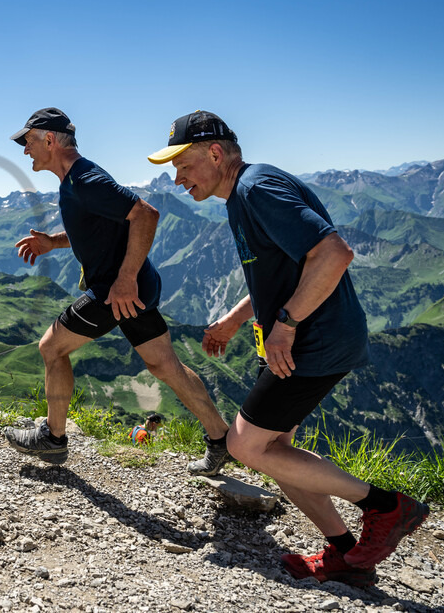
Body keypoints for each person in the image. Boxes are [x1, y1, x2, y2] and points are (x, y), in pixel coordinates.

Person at [147, 109, 429, 587]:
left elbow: (334, 254)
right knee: (274, 450)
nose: (177, 179)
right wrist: (237, 320)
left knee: (245, 445)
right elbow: (285, 268)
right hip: (303, 341)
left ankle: (385, 507)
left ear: (215, 154)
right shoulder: (242, 195)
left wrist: (286, 324)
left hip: (313, 343)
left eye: (184, 165)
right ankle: (349, 555)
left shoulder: (257, 189)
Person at [2, 108, 231, 473]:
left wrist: (124, 280)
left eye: (28, 141)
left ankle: (53, 438)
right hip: (134, 287)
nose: (25, 150)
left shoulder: (85, 179)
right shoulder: (75, 180)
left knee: (51, 347)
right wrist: (52, 243)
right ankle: (221, 439)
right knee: (165, 365)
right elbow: (101, 231)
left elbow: (145, 213)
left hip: (117, 292)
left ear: (49, 139)